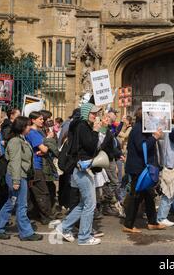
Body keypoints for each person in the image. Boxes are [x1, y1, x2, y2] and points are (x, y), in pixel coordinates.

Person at [54, 102, 103, 245]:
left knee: (84, 203)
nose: (96, 115)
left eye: (96, 113)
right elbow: (90, 146)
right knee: (90, 204)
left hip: (80, 169)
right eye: (93, 113)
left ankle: (64, 227)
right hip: (82, 170)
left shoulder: (82, 125)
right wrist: (95, 131)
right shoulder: (83, 126)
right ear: (86, 113)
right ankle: (84, 237)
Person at [0, 116, 43, 241]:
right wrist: (16, 181)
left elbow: (25, 161)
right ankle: (26, 233)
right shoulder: (15, 141)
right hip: (16, 176)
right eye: (28, 125)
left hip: (21, 175)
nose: (30, 127)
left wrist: (29, 178)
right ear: (22, 127)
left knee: (11, 202)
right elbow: (15, 162)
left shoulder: (21, 139)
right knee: (21, 205)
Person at [122, 107, 166, 234]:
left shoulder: (143, 129)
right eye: (151, 116)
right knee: (136, 196)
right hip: (138, 168)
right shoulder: (137, 129)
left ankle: (152, 222)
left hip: (142, 168)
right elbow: (143, 147)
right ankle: (128, 224)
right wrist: (154, 138)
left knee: (148, 195)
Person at [26, 111, 54, 225]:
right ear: (33, 120)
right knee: (42, 192)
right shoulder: (33, 133)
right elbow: (45, 149)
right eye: (40, 119)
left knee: (36, 192)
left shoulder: (38, 132)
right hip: (35, 166)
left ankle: (35, 214)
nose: (43, 121)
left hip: (39, 164)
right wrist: (48, 139)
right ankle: (45, 216)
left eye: (43, 119)